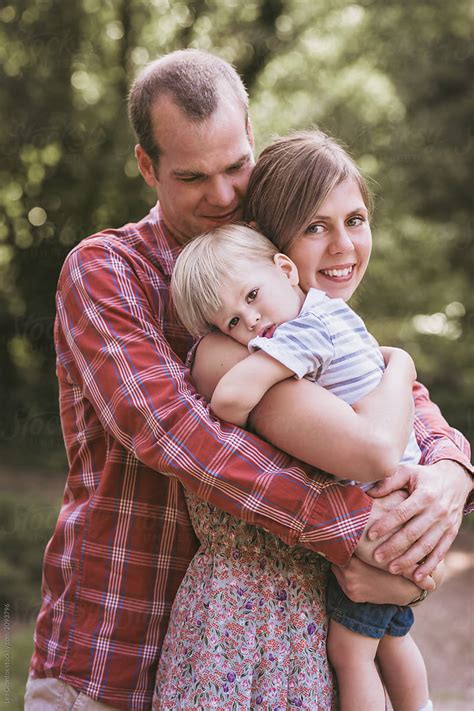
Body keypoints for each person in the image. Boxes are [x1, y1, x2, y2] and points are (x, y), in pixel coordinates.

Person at [25, 49, 472, 711]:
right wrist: (364, 532)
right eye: (194, 176)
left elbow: (359, 369)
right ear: (149, 167)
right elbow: (179, 436)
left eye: (237, 166)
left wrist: (449, 470)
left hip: (274, 649)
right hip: (120, 647)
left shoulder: (272, 259)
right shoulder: (107, 271)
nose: (225, 194)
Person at [169, 177, 430, 710]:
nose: (253, 323)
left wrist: (255, 365)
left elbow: (228, 401)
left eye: (252, 298)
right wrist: (400, 360)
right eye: (234, 323)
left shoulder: (302, 332)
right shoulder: (332, 320)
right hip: (390, 498)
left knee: (352, 653)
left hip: (380, 499)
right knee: (389, 641)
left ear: (283, 271)